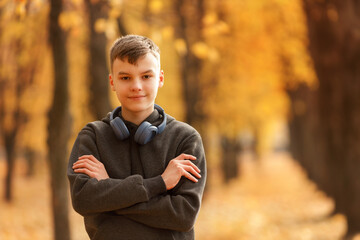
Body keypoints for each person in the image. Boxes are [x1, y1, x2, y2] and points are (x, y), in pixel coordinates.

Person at [67, 34, 207, 240]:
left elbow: (183, 216)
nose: (136, 86)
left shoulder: (186, 138)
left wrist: (110, 190)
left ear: (160, 79)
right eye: (125, 77)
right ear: (112, 81)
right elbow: (84, 201)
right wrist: (159, 184)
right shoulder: (93, 136)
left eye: (146, 76)